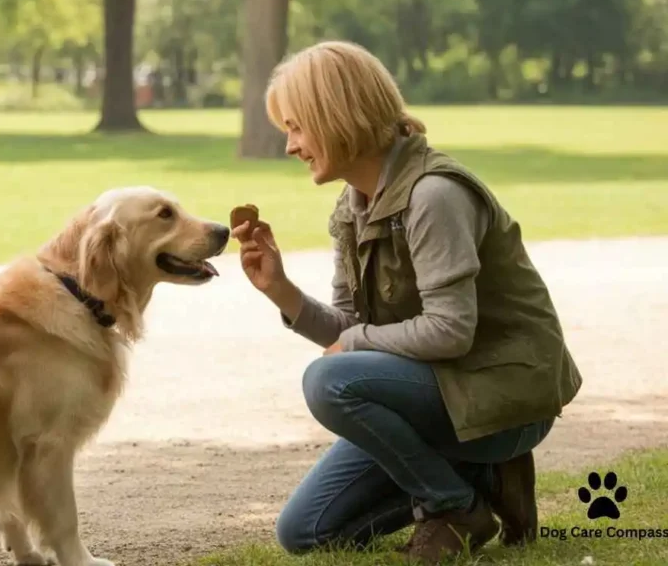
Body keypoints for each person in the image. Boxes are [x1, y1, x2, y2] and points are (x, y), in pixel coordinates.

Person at [232, 40, 583, 564]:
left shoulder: (433, 196)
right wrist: (279, 289)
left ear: (338, 115)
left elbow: (449, 331)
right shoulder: (354, 206)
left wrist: (350, 341)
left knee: (327, 381)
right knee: (304, 534)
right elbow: (350, 326)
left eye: (296, 127)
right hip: (439, 393)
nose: (290, 146)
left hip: (502, 397)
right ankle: (482, 481)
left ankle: (455, 504)